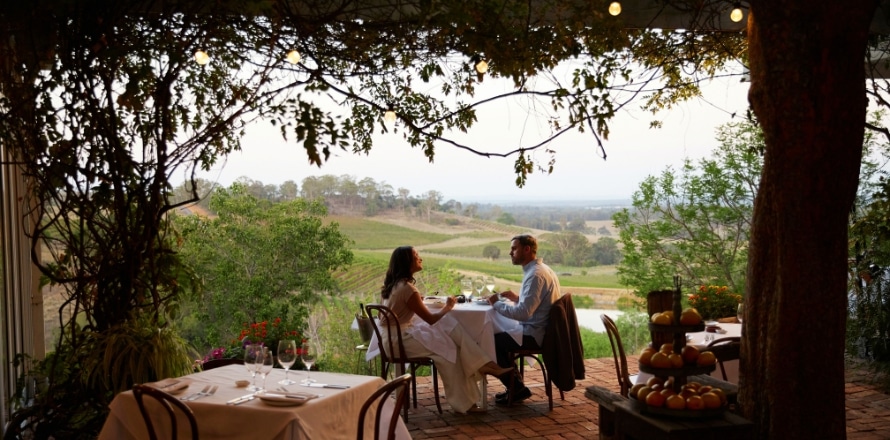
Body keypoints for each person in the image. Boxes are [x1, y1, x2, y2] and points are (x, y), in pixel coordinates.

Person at [380, 246, 514, 414]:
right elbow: (430, 319)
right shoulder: (408, 289)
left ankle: (483, 367)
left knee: (448, 328)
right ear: (407, 262)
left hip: (391, 338)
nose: (420, 258)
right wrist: (448, 307)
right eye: (416, 256)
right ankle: (468, 398)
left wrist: (427, 305)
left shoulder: (393, 286)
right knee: (451, 351)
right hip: (399, 341)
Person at [486, 234, 562, 405]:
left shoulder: (535, 275)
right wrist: (519, 298)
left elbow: (523, 313)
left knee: (491, 341)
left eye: (514, 248)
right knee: (499, 335)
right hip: (541, 329)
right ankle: (515, 386)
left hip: (535, 333)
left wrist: (496, 303)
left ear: (527, 249)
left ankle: (517, 388)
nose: (510, 253)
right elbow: (536, 303)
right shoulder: (541, 269)